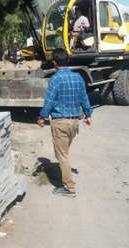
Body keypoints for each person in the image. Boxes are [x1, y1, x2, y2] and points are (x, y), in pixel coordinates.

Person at [37, 48, 93, 197]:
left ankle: (69, 188)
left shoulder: (55, 79)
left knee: (62, 156)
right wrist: (88, 114)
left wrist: (42, 117)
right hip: (74, 123)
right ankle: (65, 177)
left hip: (60, 122)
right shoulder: (78, 78)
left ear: (55, 63)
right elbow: (84, 98)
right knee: (65, 153)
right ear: (67, 61)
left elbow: (49, 101)